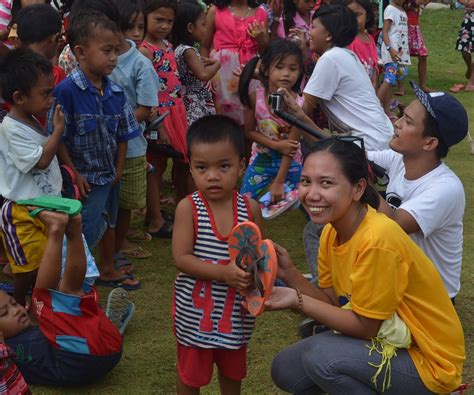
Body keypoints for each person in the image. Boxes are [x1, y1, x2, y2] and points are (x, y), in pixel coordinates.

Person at [267, 137, 465, 394]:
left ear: (358, 188)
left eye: (326, 183)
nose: (311, 193)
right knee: (286, 369)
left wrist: (297, 300)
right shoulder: (330, 231)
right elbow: (331, 303)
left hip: (428, 358)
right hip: (388, 340)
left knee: (321, 358)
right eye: (306, 181)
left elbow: (364, 327)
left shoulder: (377, 239)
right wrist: (289, 273)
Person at [48, 10, 142, 290]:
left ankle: (103, 271)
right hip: (82, 181)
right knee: (83, 231)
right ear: (81, 52)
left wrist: (120, 169)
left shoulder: (115, 92)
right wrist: (75, 174)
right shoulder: (66, 91)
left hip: (110, 174)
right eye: (107, 51)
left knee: (107, 224)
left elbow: (124, 134)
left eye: (116, 50)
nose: (114, 57)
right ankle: (75, 285)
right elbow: (59, 138)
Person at [172, 115, 264, 394]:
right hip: (195, 314)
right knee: (191, 376)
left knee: (232, 372)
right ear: (191, 168)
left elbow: (261, 259)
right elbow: (182, 258)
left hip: (235, 314)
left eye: (223, 166)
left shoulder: (250, 210)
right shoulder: (189, 209)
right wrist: (224, 273)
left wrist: (259, 281)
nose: (212, 175)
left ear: (241, 165)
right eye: (202, 167)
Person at [2, 206, 128, 386]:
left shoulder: (30, 328)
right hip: (74, 361)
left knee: (63, 295)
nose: (16, 310)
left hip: (102, 348)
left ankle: (73, 229)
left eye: (14, 303)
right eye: (3, 313)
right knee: (47, 297)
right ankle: (61, 231)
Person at [368, 81, 468, 302]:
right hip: (399, 283)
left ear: (430, 143)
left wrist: (360, 182)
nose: (397, 123)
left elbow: (393, 225)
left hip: (429, 299)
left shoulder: (445, 189)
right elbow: (347, 153)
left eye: (408, 121)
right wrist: (300, 117)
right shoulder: (399, 160)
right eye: (402, 115)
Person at [0, 49, 64, 306]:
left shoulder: (31, 119)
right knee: (26, 266)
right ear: (19, 97)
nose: (51, 98)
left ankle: (40, 299)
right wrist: (58, 131)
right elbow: (42, 160)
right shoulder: (11, 128)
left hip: (44, 205)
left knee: (46, 259)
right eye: (45, 93)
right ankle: (17, 300)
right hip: (21, 211)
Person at [285, 4, 393, 151]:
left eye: (313, 27)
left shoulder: (331, 58)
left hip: (368, 144)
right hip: (380, 138)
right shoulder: (345, 55)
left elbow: (303, 109)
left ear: (329, 35)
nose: (309, 33)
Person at [108, 0, 162, 263]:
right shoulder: (101, 59)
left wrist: (116, 124)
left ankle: (119, 245)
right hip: (103, 143)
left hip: (131, 144)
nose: (138, 33)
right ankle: (112, 244)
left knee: (127, 201)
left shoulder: (140, 63)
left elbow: (147, 107)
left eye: (141, 27)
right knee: (108, 199)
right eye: (130, 27)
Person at [238, 39, 307, 204]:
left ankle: (321, 230)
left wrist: (279, 181)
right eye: (280, 67)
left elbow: (291, 146)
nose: (286, 74)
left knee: (307, 201)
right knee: (244, 203)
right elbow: (249, 132)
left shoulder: (299, 104)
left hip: (290, 162)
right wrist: (276, 145)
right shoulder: (255, 98)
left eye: (292, 69)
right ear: (266, 70)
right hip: (262, 159)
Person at [139, 0, 195, 204]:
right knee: (156, 165)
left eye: (169, 21)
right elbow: (147, 90)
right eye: (159, 20)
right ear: (145, 17)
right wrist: (159, 124)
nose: (164, 26)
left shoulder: (168, 45)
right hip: (158, 114)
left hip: (177, 110)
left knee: (182, 160)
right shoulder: (144, 51)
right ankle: (154, 215)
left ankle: (184, 203)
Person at [202, 0, 268, 125]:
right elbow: (205, 46)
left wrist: (261, 40)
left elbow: (265, 51)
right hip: (221, 73)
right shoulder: (215, 10)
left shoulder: (261, 13)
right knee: (222, 121)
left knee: (250, 117)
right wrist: (205, 76)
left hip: (250, 72)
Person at [173, 0, 220, 127]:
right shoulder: (188, 51)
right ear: (190, 27)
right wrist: (217, 65)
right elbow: (203, 74)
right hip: (195, 104)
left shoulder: (179, 49)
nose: (206, 29)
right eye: (203, 24)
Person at [377, 0, 410, 117]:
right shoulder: (390, 9)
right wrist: (390, 49)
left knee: (391, 82)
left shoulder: (402, 11)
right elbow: (385, 31)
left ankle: (386, 110)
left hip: (399, 52)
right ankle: (374, 109)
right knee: (388, 80)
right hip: (391, 51)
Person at [337, 0, 378, 86]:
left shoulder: (370, 39)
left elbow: (374, 68)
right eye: (349, 14)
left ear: (367, 17)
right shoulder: (347, 40)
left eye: (357, 14)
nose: (353, 19)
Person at [452, 0, 474, 92]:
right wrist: (466, 3)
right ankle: (470, 68)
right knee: (465, 51)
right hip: (469, 21)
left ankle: (471, 83)